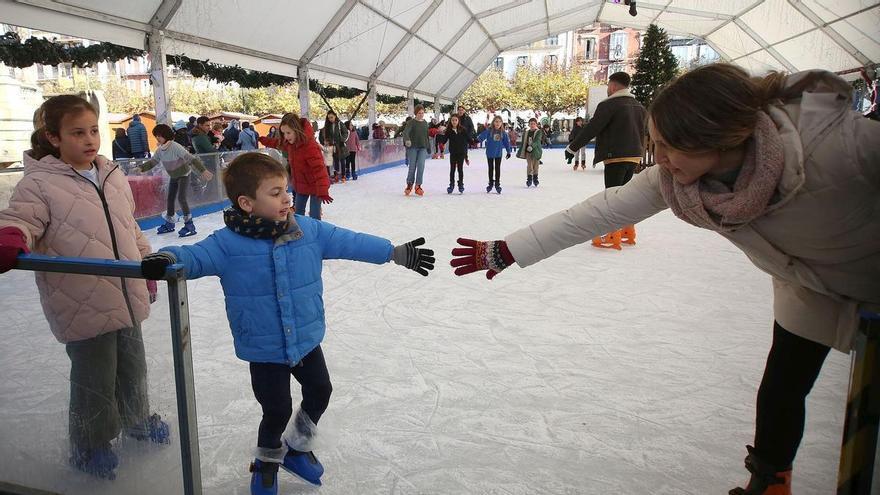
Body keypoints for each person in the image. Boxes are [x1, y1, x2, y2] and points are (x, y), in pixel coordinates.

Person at [450, 64, 880, 495]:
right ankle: (770, 483)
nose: (661, 159)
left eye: (671, 147)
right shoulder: (677, 181)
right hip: (804, 284)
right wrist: (507, 250)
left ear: (719, 136)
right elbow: (598, 212)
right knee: (782, 386)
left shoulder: (841, 148)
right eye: (656, 145)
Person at [140, 152, 436, 493]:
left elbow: (349, 240)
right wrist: (168, 258)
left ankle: (296, 449)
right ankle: (265, 463)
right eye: (276, 192)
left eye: (286, 189)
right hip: (264, 347)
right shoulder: (226, 244)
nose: (287, 198)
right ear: (247, 203)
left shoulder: (307, 230)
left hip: (306, 338)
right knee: (277, 409)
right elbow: (194, 256)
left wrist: (394, 252)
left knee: (320, 391)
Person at [0, 95, 169, 481]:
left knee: (132, 368)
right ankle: (89, 442)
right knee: (94, 377)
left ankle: (137, 418)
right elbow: (21, 218)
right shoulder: (39, 183)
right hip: (81, 301)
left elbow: (130, 227)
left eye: (94, 130)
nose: (90, 139)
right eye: (77, 133)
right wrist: (10, 235)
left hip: (125, 292)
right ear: (53, 138)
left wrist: (146, 268)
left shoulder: (111, 174)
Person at [565, 71, 648, 249]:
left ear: (613, 86)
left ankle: (612, 235)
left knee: (612, 198)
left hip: (615, 156)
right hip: (634, 156)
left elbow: (592, 129)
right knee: (624, 196)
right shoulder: (639, 106)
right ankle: (628, 231)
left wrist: (572, 148)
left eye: (608, 86)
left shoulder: (609, 105)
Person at [133, 124, 213, 237]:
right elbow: (153, 162)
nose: (157, 138)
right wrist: (141, 168)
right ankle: (170, 223)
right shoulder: (160, 150)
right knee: (170, 198)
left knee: (181, 198)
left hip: (184, 175)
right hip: (174, 176)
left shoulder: (175, 146)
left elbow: (191, 159)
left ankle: (189, 224)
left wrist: (203, 171)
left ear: (166, 135)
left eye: (159, 136)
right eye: (156, 136)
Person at [259, 113, 332, 220]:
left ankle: (315, 233)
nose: (286, 137)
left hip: (316, 187)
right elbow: (277, 143)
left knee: (314, 214)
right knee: (298, 213)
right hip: (301, 185)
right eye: (283, 133)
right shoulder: (290, 144)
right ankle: (299, 232)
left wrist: (323, 191)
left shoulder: (309, 146)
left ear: (297, 130)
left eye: (288, 133)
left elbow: (320, 170)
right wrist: (262, 139)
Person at [477, 116, 513, 194]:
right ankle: (490, 183)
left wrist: (508, 152)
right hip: (490, 153)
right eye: (496, 121)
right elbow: (481, 137)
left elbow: (507, 143)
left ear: (501, 123)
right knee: (490, 168)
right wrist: (474, 141)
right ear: (493, 122)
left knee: (497, 169)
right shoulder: (489, 131)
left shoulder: (503, 133)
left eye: (499, 122)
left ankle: (497, 184)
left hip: (498, 153)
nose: (498, 123)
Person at [402, 105, 429, 196]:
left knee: (421, 166)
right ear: (415, 113)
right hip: (412, 147)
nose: (421, 115)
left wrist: (428, 147)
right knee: (412, 166)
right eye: (419, 113)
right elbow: (406, 132)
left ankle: (418, 185)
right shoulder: (411, 122)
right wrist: (407, 140)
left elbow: (426, 136)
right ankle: (409, 184)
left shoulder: (425, 123)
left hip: (422, 147)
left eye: (422, 113)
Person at [443, 114, 470, 195]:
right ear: (450, 121)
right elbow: (444, 140)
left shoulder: (463, 130)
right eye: (452, 120)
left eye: (456, 120)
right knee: (452, 169)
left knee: (460, 169)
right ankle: (451, 184)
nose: (454, 122)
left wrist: (474, 141)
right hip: (453, 153)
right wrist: (439, 135)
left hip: (461, 153)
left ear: (458, 121)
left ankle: (460, 184)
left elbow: (468, 140)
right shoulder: (449, 131)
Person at [319, 111, 348, 183]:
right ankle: (336, 175)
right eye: (329, 118)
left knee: (342, 161)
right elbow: (326, 136)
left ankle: (343, 175)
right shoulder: (328, 126)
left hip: (340, 145)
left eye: (331, 117)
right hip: (333, 146)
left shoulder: (339, 124)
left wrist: (342, 139)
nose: (330, 119)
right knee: (335, 161)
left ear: (335, 116)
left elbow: (345, 132)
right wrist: (327, 142)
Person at [517, 118, 544, 187]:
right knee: (530, 165)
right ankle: (529, 179)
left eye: (534, 124)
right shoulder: (526, 132)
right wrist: (521, 150)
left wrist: (532, 146)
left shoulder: (539, 132)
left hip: (536, 151)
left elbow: (537, 140)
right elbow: (524, 142)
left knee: (536, 166)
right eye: (531, 124)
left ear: (536, 124)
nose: (532, 125)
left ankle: (535, 178)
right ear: (529, 124)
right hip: (528, 151)